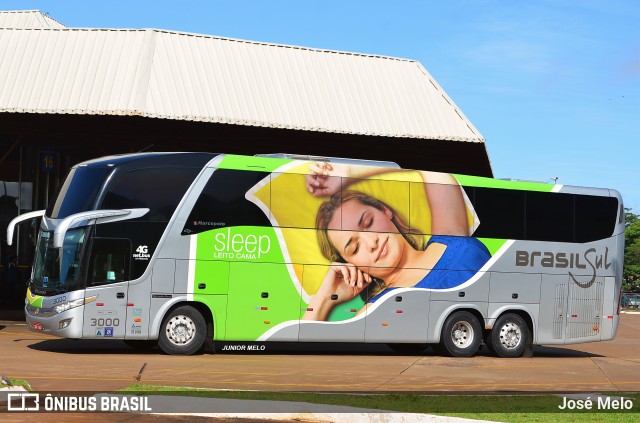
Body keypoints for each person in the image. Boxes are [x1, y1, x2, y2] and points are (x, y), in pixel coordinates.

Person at [302, 162, 490, 321]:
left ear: (385, 210)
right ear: (350, 264)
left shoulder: (449, 233)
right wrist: (325, 297)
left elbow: (433, 170)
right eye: (355, 247)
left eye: (369, 222)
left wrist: (349, 173)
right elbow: (300, 341)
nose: (371, 242)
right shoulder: (376, 310)